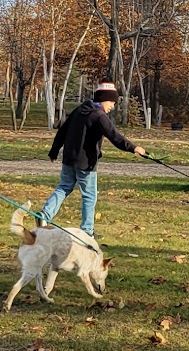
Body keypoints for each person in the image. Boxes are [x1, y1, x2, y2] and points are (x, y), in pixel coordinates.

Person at [42, 80, 146, 238]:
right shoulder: (99, 116)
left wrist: (54, 151)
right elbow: (114, 136)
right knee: (89, 196)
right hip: (86, 162)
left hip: (69, 158)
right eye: (112, 102)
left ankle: (44, 215)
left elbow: (62, 130)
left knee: (64, 187)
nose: (112, 106)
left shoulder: (80, 110)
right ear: (103, 99)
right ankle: (87, 231)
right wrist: (133, 148)